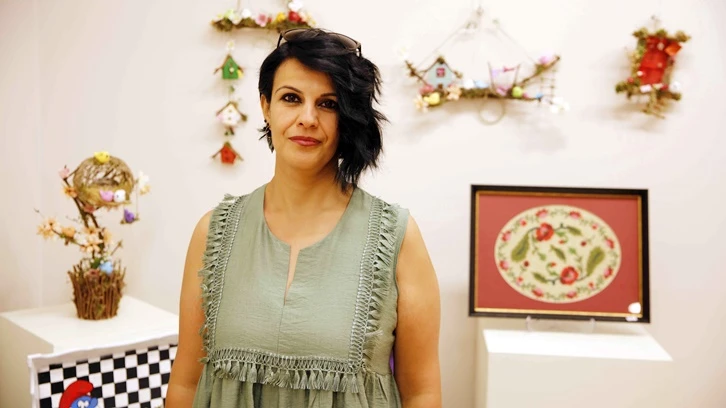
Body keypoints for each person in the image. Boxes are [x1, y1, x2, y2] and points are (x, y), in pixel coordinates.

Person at [166, 28, 441, 408]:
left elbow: (422, 393)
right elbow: (185, 384)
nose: (308, 118)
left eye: (328, 104)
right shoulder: (213, 232)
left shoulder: (396, 236)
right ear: (265, 106)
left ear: (348, 117)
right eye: (291, 98)